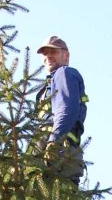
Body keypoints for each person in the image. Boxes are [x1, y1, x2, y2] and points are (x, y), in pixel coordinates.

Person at [35, 36, 87, 186]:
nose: (48, 56)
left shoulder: (64, 73)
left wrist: (53, 141)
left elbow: (66, 108)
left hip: (59, 151)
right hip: (50, 149)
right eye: (45, 53)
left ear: (66, 55)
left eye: (53, 52)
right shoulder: (50, 83)